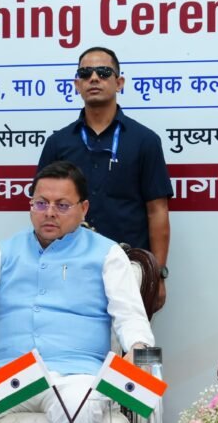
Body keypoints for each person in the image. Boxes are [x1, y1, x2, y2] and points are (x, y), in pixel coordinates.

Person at [0, 161, 155, 423]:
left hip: (76, 376)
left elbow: (130, 316)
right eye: (41, 203)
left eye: (62, 205)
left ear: (83, 208)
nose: (49, 213)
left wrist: (138, 347)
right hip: (14, 376)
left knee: (80, 407)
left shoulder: (107, 254)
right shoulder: (2, 251)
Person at [38, 46, 173, 310]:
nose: (94, 78)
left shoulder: (145, 141)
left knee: (129, 336)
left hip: (129, 267)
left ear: (119, 82)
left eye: (103, 72)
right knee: (69, 334)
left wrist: (158, 274)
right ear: (77, 84)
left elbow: (157, 211)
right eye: (85, 73)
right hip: (68, 266)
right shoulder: (58, 143)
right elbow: (43, 208)